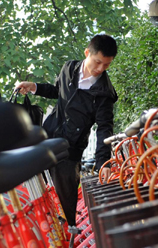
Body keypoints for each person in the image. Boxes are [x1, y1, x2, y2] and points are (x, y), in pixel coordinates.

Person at [15, 34, 118, 230]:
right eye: (97, 62)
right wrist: (34, 87)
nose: (100, 69)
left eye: (106, 65)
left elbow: (105, 127)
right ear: (87, 53)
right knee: (37, 197)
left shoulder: (104, 93)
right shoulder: (69, 68)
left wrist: (103, 161)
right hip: (46, 140)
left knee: (64, 206)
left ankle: (68, 245)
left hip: (70, 152)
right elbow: (57, 90)